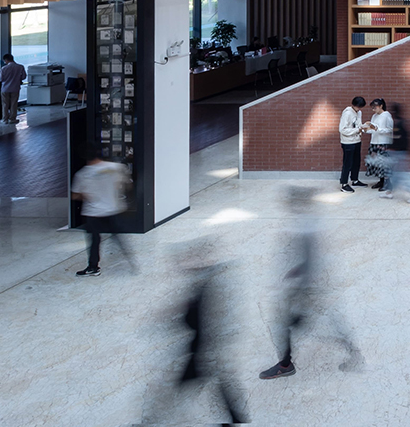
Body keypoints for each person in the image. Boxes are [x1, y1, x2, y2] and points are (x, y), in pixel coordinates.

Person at [260, 186, 363, 378]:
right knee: (327, 321)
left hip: (305, 288)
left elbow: (310, 260)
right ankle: (353, 352)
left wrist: (297, 285)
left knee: (284, 323)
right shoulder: (308, 221)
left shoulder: (305, 225)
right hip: (310, 286)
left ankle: (285, 365)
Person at [143, 243, 249, 424]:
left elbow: (207, 316)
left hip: (205, 348)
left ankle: (151, 420)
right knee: (221, 382)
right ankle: (236, 418)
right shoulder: (205, 278)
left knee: (170, 386)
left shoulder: (212, 282)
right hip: (208, 348)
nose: (181, 265)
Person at [71, 153, 134, 274]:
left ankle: (93, 267)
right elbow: (128, 185)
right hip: (113, 209)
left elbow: (75, 195)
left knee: (94, 240)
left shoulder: (82, 173)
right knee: (118, 238)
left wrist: (90, 196)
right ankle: (131, 263)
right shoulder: (115, 167)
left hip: (93, 211)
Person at [379, 101, 410, 203]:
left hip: (401, 154)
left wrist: (399, 150)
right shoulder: (397, 123)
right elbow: (395, 139)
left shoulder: (401, 124)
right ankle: (389, 193)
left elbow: (403, 140)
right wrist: (388, 148)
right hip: (396, 153)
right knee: (393, 174)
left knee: (403, 175)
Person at [337, 95, 366, 192]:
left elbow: (358, 125)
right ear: (353, 105)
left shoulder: (359, 112)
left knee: (356, 162)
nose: (359, 109)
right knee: (347, 163)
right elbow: (342, 129)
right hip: (348, 142)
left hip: (357, 140)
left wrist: (364, 126)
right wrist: (357, 130)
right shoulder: (347, 113)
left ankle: (355, 179)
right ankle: (344, 183)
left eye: (361, 107)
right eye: (358, 106)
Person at [364, 97, 393, 191]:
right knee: (376, 163)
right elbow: (373, 129)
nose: (373, 109)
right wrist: (365, 129)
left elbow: (390, 130)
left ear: (381, 106)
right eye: (372, 108)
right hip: (374, 142)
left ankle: (387, 183)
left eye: (375, 107)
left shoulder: (387, 115)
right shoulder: (374, 116)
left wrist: (378, 129)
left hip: (383, 142)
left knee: (383, 164)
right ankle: (381, 181)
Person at [0, 52, 27, 124]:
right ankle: (12, 119)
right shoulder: (20, 67)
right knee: (14, 104)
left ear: (6, 60)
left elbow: (0, 79)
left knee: (5, 104)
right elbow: (23, 77)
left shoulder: (4, 68)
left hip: (5, 89)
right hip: (15, 88)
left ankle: (5, 119)